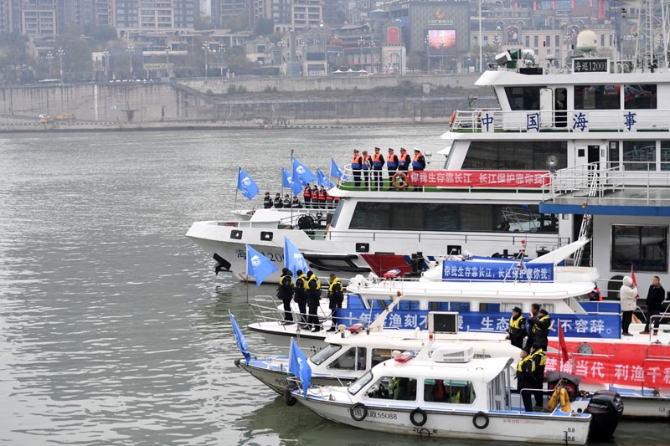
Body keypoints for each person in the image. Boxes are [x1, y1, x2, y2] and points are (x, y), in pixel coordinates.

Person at [530, 341, 547, 410]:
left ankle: (538, 405)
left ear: (534, 348)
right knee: (539, 391)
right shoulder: (542, 354)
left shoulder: (536, 356)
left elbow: (534, 367)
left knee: (536, 391)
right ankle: (539, 404)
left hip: (536, 376)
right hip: (540, 374)